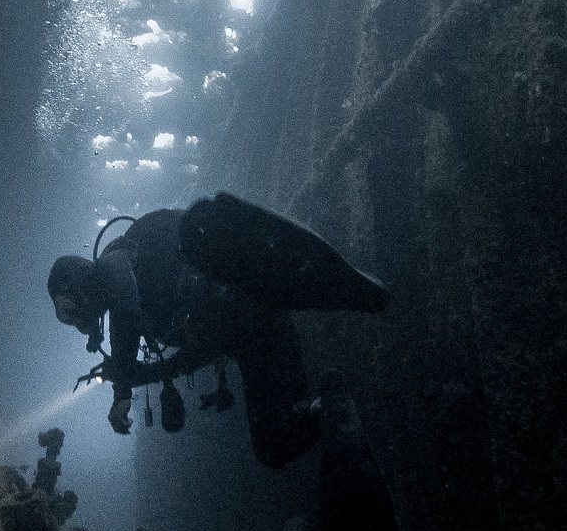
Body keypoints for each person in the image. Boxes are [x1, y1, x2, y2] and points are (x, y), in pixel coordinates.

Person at [47, 193, 387, 469]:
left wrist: (122, 390)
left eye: (69, 311)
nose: (78, 324)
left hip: (249, 302)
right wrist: (145, 375)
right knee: (273, 447)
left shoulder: (116, 259)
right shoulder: (144, 313)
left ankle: (294, 277)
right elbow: (204, 350)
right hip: (254, 337)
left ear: (81, 283)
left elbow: (125, 306)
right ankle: (335, 402)